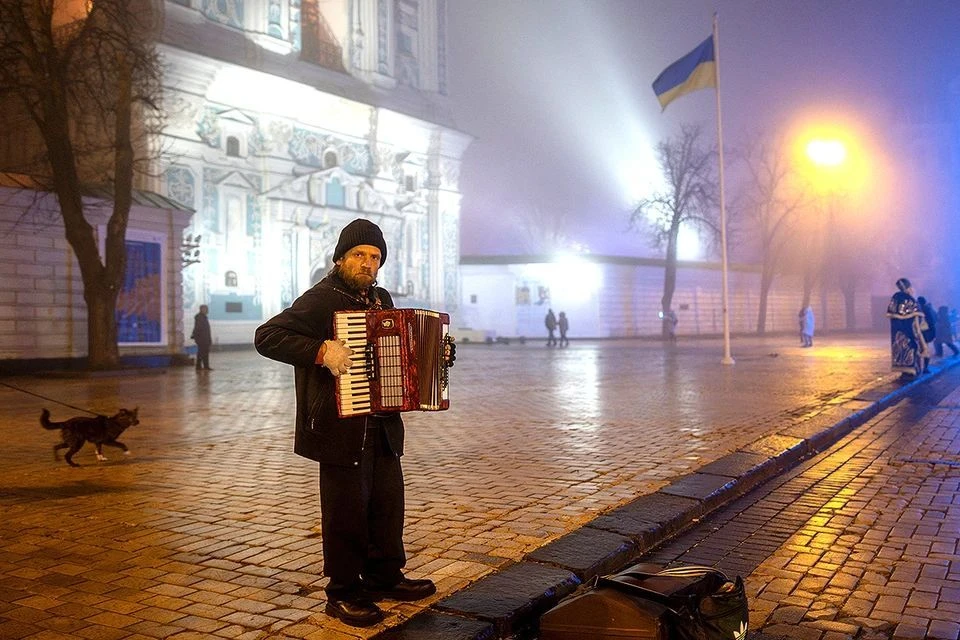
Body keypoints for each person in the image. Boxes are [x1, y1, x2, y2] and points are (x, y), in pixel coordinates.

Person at [254, 219, 451, 627]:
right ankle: (342, 592)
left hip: (382, 424)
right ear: (341, 258)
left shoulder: (380, 297)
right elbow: (268, 336)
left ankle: (384, 576)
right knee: (345, 512)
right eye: (359, 254)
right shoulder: (322, 298)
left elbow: (403, 351)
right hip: (339, 427)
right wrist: (320, 350)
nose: (367, 263)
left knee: (386, 505)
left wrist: (435, 358)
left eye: (375, 257)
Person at [885, 278, 928, 378]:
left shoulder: (895, 298)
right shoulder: (910, 299)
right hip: (909, 329)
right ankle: (912, 369)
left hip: (897, 330)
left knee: (900, 348)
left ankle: (904, 371)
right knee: (911, 347)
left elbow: (892, 313)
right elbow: (917, 315)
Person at [916, 296, 937, 373]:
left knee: (922, 350)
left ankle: (922, 368)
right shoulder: (928, 309)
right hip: (924, 332)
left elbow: (930, 322)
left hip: (923, 332)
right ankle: (924, 367)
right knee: (924, 349)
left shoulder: (923, 310)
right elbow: (933, 320)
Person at [190, 304, 213, 371]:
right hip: (202, 338)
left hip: (204, 338)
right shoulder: (200, 317)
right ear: (202, 309)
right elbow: (198, 328)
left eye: (207, 309)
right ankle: (205, 366)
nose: (207, 310)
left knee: (201, 352)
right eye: (205, 309)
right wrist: (197, 337)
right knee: (204, 352)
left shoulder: (202, 317)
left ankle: (199, 366)